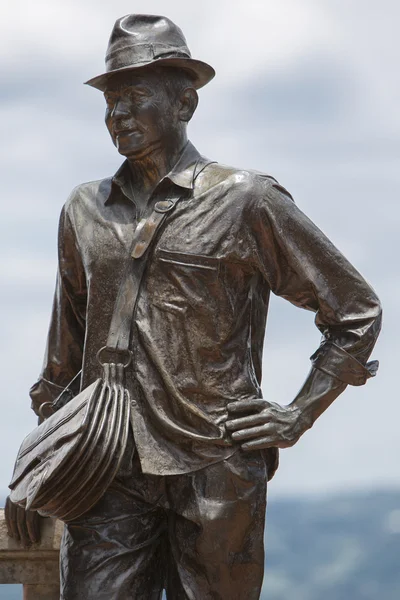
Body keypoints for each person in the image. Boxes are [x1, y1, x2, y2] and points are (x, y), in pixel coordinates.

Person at [6, 14, 382, 600]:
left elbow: (355, 312)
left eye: (135, 99)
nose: (118, 117)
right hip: (106, 468)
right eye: (109, 103)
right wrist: (36, 471)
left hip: (217, 469)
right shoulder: (84, 210)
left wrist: (299, 413)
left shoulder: (246, 200)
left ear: (185, 104)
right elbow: (63, 358)